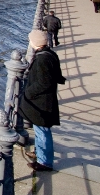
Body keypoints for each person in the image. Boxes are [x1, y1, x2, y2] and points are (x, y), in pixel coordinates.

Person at [19, 29, 66, 172]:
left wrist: (27, 93)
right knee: (40, 130)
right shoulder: (50, 54)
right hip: (44, 101)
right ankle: (39, 154)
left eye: (31, 40)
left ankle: (45, 162)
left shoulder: (42, 59)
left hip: (42, 103)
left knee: (42, 131)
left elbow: (43, 83)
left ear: (35, 42)